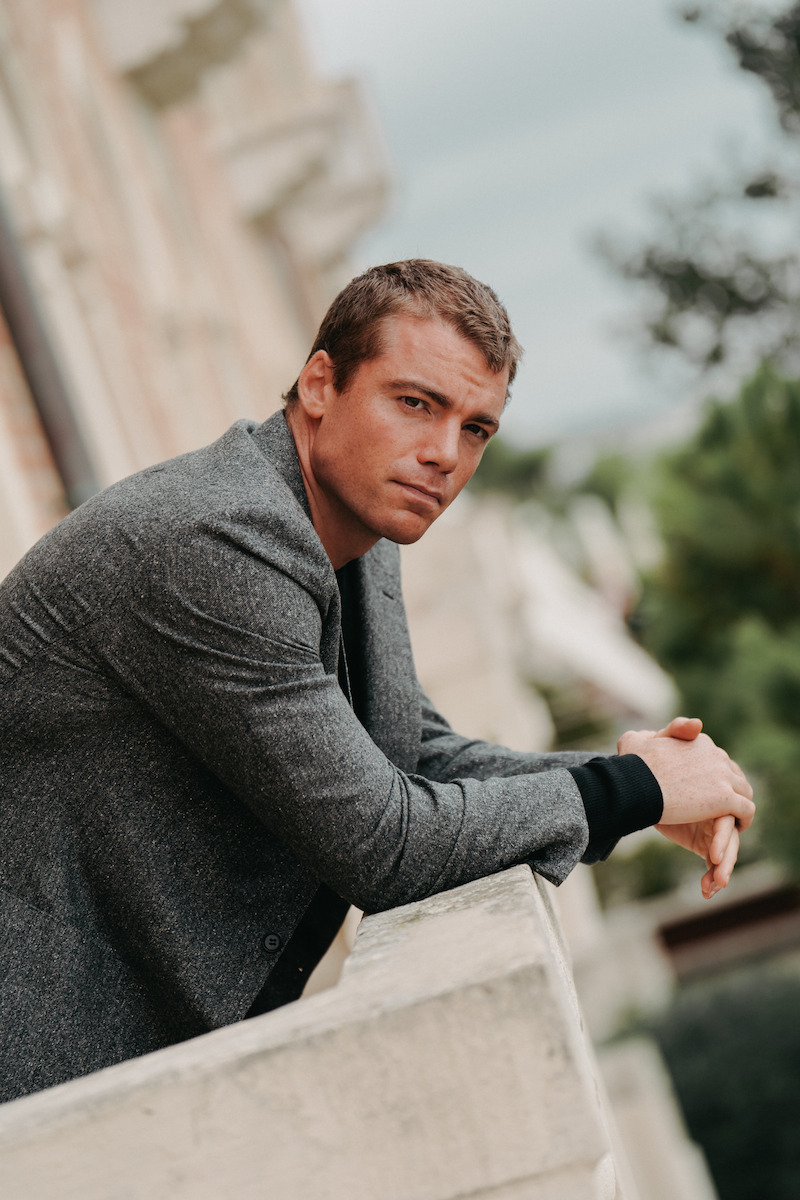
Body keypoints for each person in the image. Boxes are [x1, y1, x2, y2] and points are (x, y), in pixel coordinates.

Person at [0, 260, 753, 1103]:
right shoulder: (216, 541)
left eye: (476, 428)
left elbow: (411, 751)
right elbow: (384, 846)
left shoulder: (355, 527)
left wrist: (637, 780)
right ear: (321, 383)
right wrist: (632, 791)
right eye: (415, 403)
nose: (443, 455)